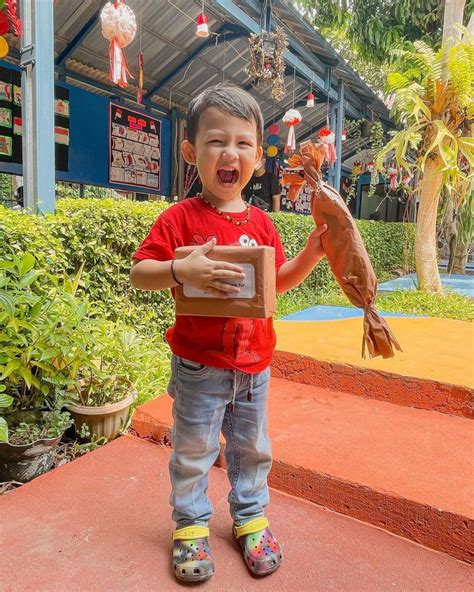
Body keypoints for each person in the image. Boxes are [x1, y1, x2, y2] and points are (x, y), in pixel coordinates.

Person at [130, 83, 326, 583]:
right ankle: (191, 524)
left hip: (255, 364)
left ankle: (250, 518)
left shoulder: (262, 224)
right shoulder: (179, 219)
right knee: (194, 448)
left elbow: (275, 284)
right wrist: (180, 270)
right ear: (192, 152)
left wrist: (314, 253)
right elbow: (140, 273)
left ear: (259, 158)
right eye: (217, 141)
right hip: (199, 366)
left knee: (251, 449)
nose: (230, 152)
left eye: (242, 143)